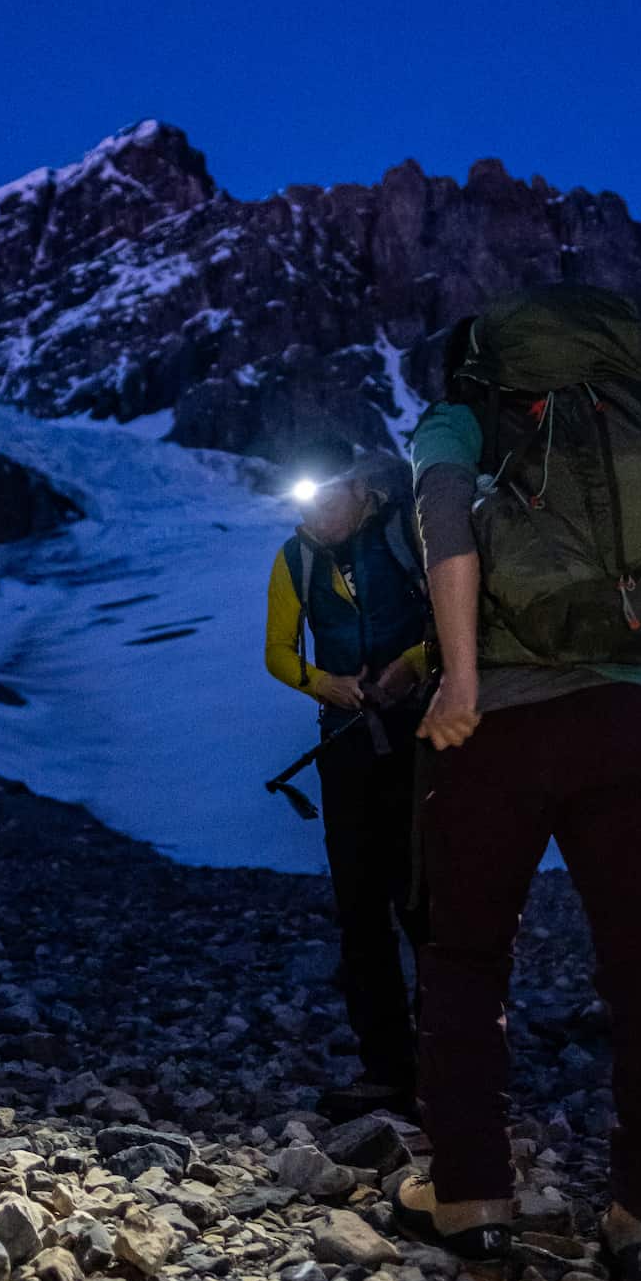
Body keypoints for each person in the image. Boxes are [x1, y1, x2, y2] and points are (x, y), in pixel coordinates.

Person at [391, 287, 641, 1281]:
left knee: (465, 952)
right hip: (622, 716)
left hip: (499, 724)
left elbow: (447, 526)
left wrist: (462, 678)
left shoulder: (460, 416)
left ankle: (470, 1193)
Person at [264, 462, 430, 1121]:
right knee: (360, 908)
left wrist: (413, 667)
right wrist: (324, 684)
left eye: (329, 500)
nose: (317, 516)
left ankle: (448, 1059)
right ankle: (387, 1067)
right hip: (349, 742)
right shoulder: (295, 556)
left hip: (423, 735)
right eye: (307, 505)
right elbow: (277, 651)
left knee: (424, 901)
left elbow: (456, 615)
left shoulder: (406, 532)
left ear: (360, 495)